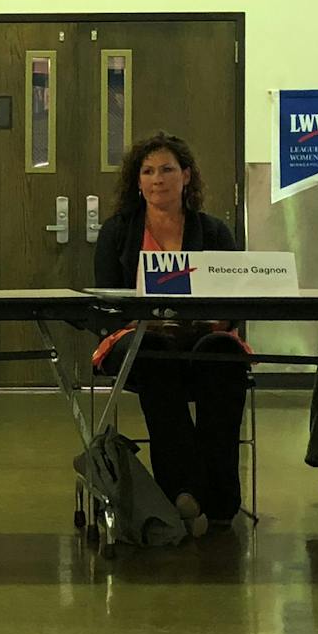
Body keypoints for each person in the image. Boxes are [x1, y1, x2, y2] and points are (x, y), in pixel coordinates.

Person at [92, 132, 247, 534]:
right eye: (147, 171)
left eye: (166, 169)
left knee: (222, 355)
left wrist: (210, 324)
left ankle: (218, 502)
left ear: (187, 176)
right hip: (138, 339)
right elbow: (107, 305)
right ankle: (182, 488)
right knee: (155, 352)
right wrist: (147, 322)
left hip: (203, 336)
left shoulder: (214, 232)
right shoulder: (116, 232)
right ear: (137, 182)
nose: (157, 178)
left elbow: (234, 301)